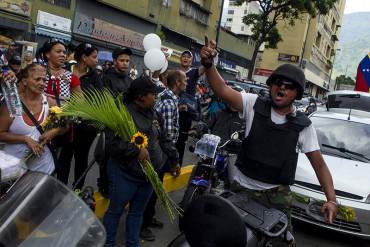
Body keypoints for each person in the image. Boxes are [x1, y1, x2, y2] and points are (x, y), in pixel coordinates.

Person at [200, 40, 337, 245]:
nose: (281, 87)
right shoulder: (253, 104)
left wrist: (331, 200)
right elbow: (221, 90)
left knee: (283, 243)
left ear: (296, 94)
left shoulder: (303, 126)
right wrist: (210, 65)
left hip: (277, 197)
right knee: (226, 238)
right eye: (277, 83)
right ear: (271, 85)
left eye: (288, 86)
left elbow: (319, 165)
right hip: (242, 189)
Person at [103, 76, 178, 247]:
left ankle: (133, 243)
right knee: (115, 212)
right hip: (124, 174)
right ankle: (109, 244)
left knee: (137, 213)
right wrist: (135, 151)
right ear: (141, 96)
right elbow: (112, 144)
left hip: (148, 176)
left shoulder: (154, 113)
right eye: (153, 93)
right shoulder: (122, 114)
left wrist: (174, 159)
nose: (156, 96)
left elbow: (164, 139)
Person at [140, 70, 185, 241]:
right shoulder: (168, 103)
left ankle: (148, 218)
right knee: (151, 190)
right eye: (184, 80)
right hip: (159, 152)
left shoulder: (171, 99)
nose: (187, 83)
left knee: (154, 189)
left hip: (161, 151)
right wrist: (171, 158)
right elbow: (163, 134)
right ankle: (142, 225)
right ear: (177, 84)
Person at [0, 64, 67, 174]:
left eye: (44, 80)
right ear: (25, 81)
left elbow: (66, 125)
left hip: (43, 169)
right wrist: (26, 139)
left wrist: (54, 132)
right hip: (13, 170)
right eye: (37, 79)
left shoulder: (50, 103)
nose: (42, 83)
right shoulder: (12, 103)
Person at [57, 43, 103, 189]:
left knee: (81, 159)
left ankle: (76, 190)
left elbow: (100, 100)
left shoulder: (95, 76)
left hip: (85, 127)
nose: (97, 61)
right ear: (84, 57)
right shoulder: (65, 71)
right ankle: (60, 187)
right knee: (64, 157)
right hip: (66, 123)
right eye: (94, 57)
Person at [176, 47, 216, 165]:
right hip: (175, 109)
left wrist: (210, 56)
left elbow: (206, 67)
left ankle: (177, 164)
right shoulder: (174, 72)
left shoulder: (194, 72)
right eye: (184, 56)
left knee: (182, 140)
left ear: (191, 61)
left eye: (188, 57)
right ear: (180, 59)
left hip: (187, 112)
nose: (186, 58)